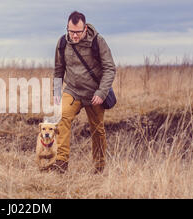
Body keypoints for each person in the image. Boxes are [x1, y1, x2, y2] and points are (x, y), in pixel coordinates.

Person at [52, 11, 116, 174]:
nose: (74, 35)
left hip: (94, 93)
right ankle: (61, 163)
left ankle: (99, 167)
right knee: (62, 116)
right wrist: (57, 91)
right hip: (72, 90)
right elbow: (58, 70)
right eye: (71, 31)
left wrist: (101, 93)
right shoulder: (62, 43)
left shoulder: (97, 41)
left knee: (97, 129)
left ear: (85, 28)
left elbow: (110, 68)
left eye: (78, 32)